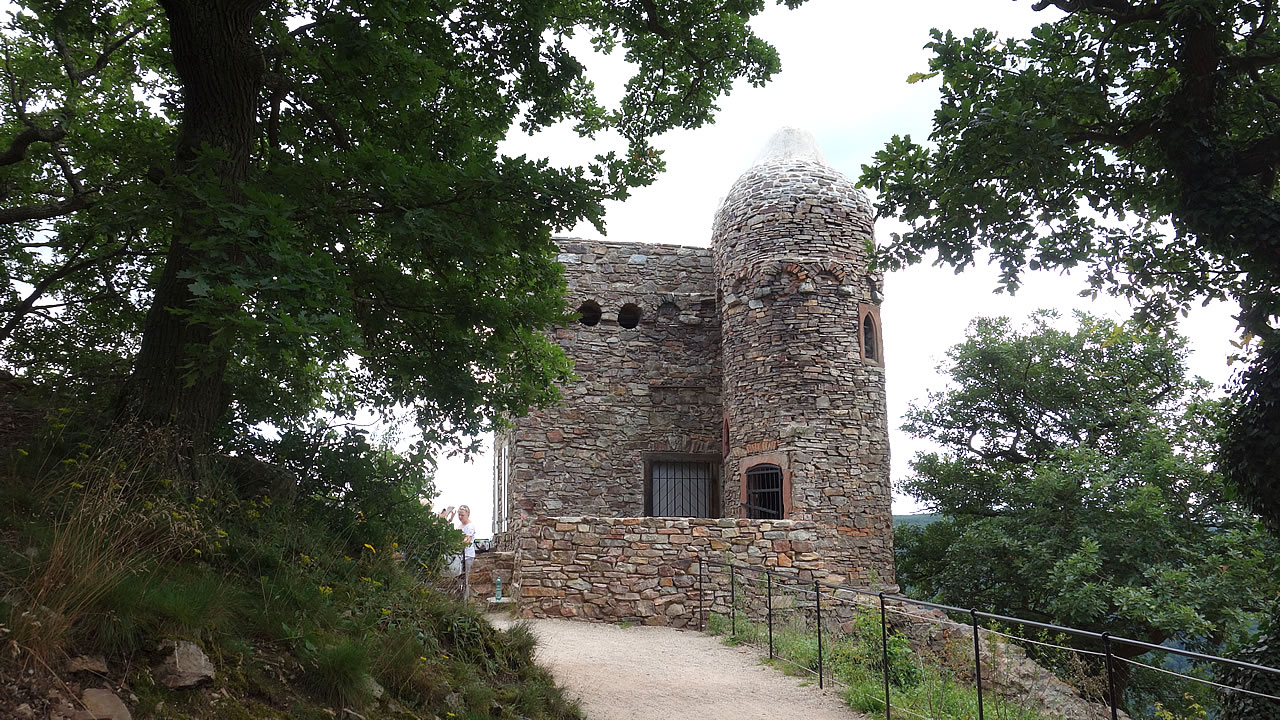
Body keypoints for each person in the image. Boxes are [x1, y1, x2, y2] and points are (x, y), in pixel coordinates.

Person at [456, 504, 476, 597]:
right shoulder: (460, 525)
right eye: (459, 515)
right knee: (459, 579)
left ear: (467, 514)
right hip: (459, 555)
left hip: (467, 555)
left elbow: (467, 540)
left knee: (466, 579)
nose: (460, 517)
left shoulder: (470, 526)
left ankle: (465, 600)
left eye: (462, 515)